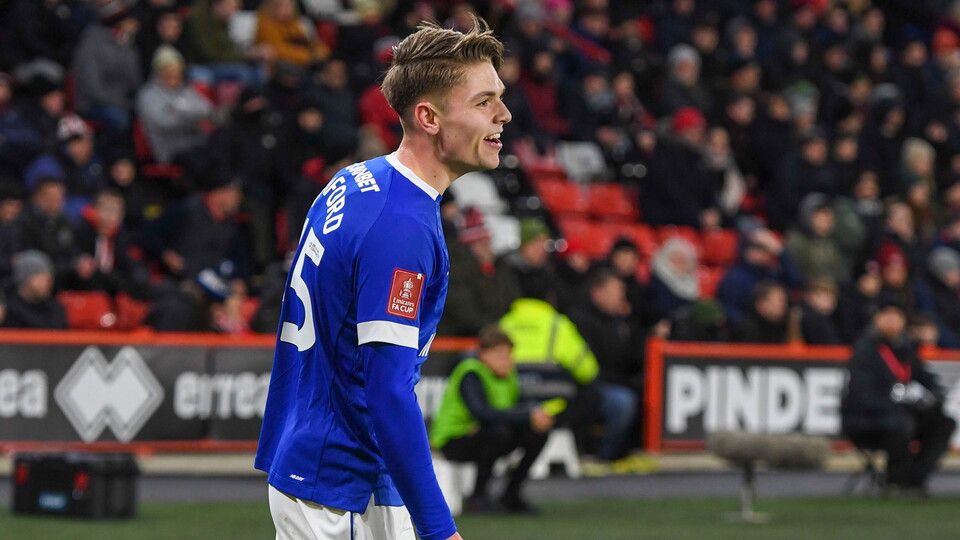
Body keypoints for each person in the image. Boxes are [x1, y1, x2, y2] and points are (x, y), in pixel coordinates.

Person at [256, 18, 510, 540]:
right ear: (429, 117)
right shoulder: (400, 228)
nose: (504, 115)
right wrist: (440, 530)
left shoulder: (356, 179)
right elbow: (388, 392)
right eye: (484, 102)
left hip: (320, 461)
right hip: (342, 483)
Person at [430, 325, 553, 514]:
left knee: (537, 433)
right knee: (497, 433)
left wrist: (535, 414)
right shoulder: (470, 372)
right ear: (483, 354)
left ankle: (511, 494)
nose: (507, 361)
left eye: (509, 355)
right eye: (500, 355)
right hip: (453, 440)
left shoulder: (509, 375)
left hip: (484, 433)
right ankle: (477, 497)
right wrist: (527, 415)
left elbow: (518, 404)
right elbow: (482, 412)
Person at [841, 301, 956, 496]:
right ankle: (894, 480)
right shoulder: (864, 351)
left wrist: (931, 397)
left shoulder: (906, 350)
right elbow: (862, 396)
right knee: (901, 422)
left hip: (902, 416)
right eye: (887, 316)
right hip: (866, 420)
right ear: (877, 319)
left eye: (897, 317)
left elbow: (927, 380)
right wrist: (897, 401)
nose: (892, 322)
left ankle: (913, 480)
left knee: (944, 423)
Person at [3, 250, 67, 329]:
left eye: (48, 278)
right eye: (40, 277)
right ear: (25, 279)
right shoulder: (8, 310)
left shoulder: (55, 308)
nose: (47, 283)